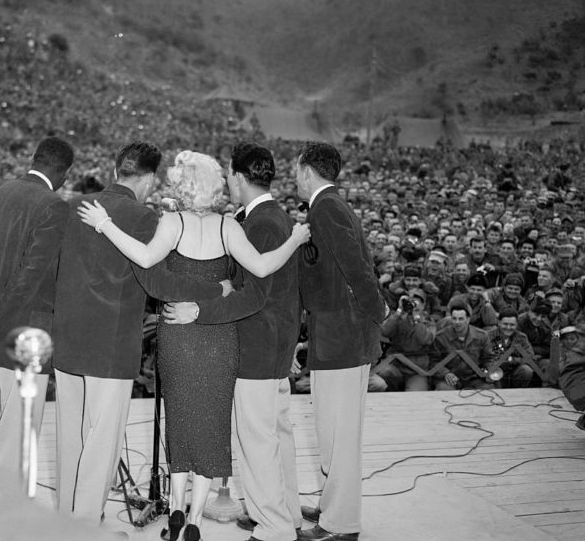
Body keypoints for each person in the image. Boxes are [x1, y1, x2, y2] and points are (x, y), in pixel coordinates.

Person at [75, 148, 309, 539]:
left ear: (180, 185)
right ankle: (197, 519)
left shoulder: (172, 222)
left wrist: (104, 224)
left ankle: (177, 509)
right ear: (216, 184)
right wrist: (296, 238)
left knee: (180, 421)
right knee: (213, 426)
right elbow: (265, 267)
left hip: (177, 336)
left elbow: (146, 260)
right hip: (219, 338)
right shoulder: (228, 227)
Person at [161, 142, 303, 541]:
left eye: (228, 176)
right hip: (272, 345)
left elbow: (255, 294)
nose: (226, 183)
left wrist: (200, 311)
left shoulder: (257, 224)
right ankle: (287, 515)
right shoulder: (269, 218)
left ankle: (274, 526)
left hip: (254, 347)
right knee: (277, 438)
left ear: (239, 177)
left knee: (257, 444)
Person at [0, 136, 75, 472]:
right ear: (65, 172)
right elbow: (29, 277)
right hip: (20, 335)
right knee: (20, 436)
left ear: (33, 159)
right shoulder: (54, 206)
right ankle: (10, 516)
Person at [291, 142, 385, 541]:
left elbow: (356, 268)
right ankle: (333, 505)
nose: (293, 176)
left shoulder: (326, 208)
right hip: (338, 335)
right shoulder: (329, 205)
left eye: (296, 169)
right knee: (331, 431)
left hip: (344, 336)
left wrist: (375, 312)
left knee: (339, 435)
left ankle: (341, 524)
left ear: (308, 170)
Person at [370, 288, 435, 392]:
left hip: (416, 369)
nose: (412, 304)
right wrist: (399, 311)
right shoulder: (397, 317)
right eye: (410, 300)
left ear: (423, 305)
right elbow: (385, 332)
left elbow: (426, 340)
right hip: (396, 364)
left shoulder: (428, 320)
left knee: (416, 395)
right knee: (385, 372)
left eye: (416, 301)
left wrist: (415, 317)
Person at [430, 302, 494, 391]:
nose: (457, 322)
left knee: (488, 391)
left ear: (468, 319)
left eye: (461, 319)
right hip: (449, 378)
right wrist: (445, 373)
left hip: (474, 378)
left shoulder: (482, 336)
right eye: (454, 318)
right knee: (443, 390)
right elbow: (433, 361)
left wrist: (487, 372)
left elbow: (489, 359)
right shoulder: (440, 337)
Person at [485, 308, 536, 388]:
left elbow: (531, 358)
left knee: (526, 370)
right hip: (494, 372)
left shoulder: (521, 338)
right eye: (505, 324)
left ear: (516, 324)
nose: (508, 327)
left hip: (513, 371)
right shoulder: (488, 336)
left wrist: (512, 360)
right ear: (499, 323)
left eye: (512, 325)